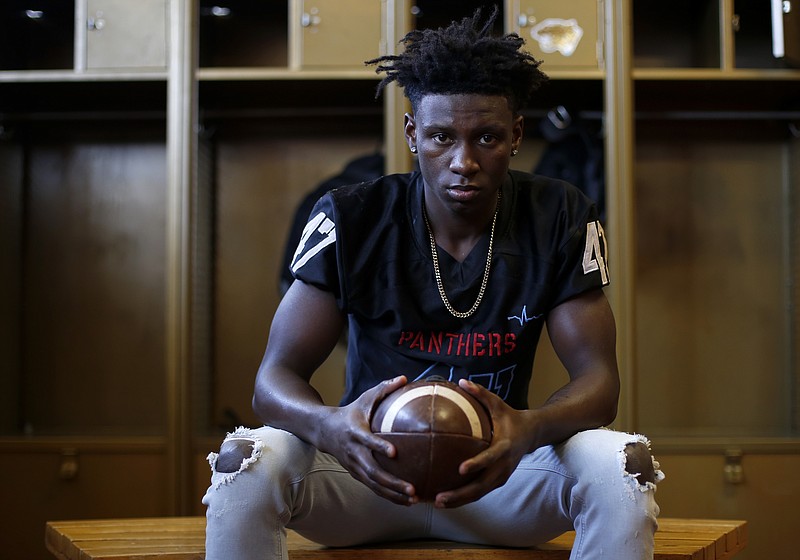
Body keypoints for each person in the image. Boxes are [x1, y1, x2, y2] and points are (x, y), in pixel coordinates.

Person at [203, 8, 663, 560]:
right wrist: (330, 427)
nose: (463, 162)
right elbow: (272, 380)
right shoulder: (352, 216)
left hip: (497, 476)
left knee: (624, 464)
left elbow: (599, 383)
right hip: (366, 473)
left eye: (486, 137)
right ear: (412, 133)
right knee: (244, 459)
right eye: (442, 137)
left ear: (516, 134)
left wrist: (526, 429)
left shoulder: (559, 213)